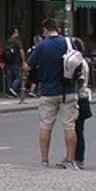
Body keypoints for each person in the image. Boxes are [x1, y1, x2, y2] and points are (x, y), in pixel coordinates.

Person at [23, 18, 80, 169]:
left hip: (48, 90)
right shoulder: (68, 43)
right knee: (69, 126)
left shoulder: (42, 46)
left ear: (45, 30)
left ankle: (44, 160)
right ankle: (69, 159)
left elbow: (27, 67)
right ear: (57, 28)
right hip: (68, 89)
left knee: (45, 125)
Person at [72, 37, 92, 170]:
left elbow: (80, 81)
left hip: (80, 98)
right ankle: (74, 156)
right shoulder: (82, 61)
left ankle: (78, 159)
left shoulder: (80, 63)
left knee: (77, 130)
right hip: (82, 96)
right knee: (76, 130)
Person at [3, 29, 26, 97]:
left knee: (9, 77)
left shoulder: (7, 41)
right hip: (16, 61)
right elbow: (21, 51)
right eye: (16, 32)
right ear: (14, 33)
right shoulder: (17, 42)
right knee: (19, 77)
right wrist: (23, 61)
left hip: (8, 61)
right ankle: (12, 88)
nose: (18, 33)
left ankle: (8, 92)